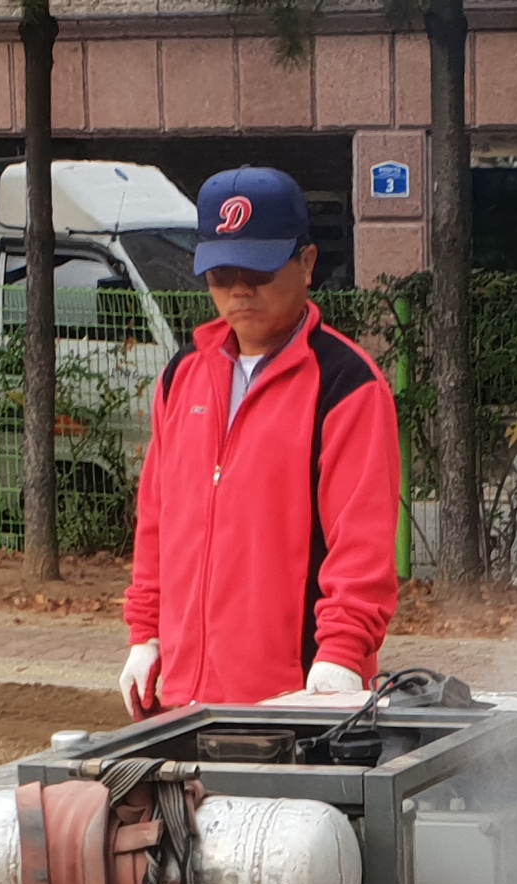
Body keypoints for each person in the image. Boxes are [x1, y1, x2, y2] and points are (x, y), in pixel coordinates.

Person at [118, 166, 403, 717]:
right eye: (222, 273)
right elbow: (157, 522)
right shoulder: (182, 378)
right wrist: (145, 633)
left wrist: (342, 651)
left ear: (308, 263)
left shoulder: (346, 385)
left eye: (260, 268)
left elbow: (361, 542)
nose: (240, 288)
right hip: (183, 697)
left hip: (296, 699)